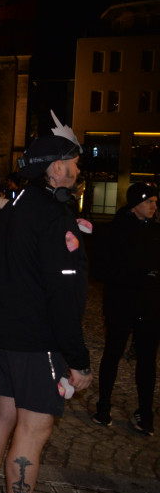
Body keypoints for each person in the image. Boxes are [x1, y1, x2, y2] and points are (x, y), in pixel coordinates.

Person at [0, 113, 93, 493]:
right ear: (55, 167)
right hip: (38, 341)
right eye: (73, 163)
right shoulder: (55, 216)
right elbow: (63, 294)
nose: (77, 171)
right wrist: (77, 357)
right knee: (33, 430)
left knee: (3, 415)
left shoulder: (15, 205)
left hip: (3, 333)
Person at [92, 182, 159, 436]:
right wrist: (136, 275)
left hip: (150, 307)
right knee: (113, 354)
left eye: (155, 202)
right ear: (135, 205)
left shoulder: (156, 232)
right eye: (149, 201)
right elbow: (100, 269)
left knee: (147, 362)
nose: (154, 206)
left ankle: (145, 413)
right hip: (121, 304)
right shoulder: (114, 232)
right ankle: (103, 406)